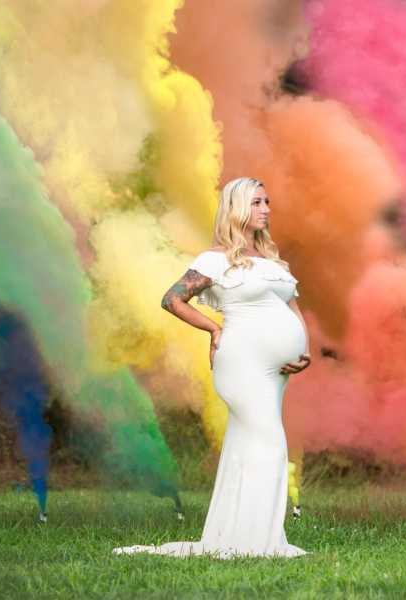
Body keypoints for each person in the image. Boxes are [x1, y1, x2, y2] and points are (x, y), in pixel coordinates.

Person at [113, 177, 311, 559]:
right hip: (242, 362)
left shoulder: (273, 260)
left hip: (281, 368)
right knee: (269, 442)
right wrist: (213, 327)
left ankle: (236, 535)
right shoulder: (215, 259)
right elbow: (172, 299)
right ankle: (260, 543)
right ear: (236, 208)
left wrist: (306, 351)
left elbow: (293, 308)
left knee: (247, 443)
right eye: (256, 202)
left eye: (267, 201)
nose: (266, 209)